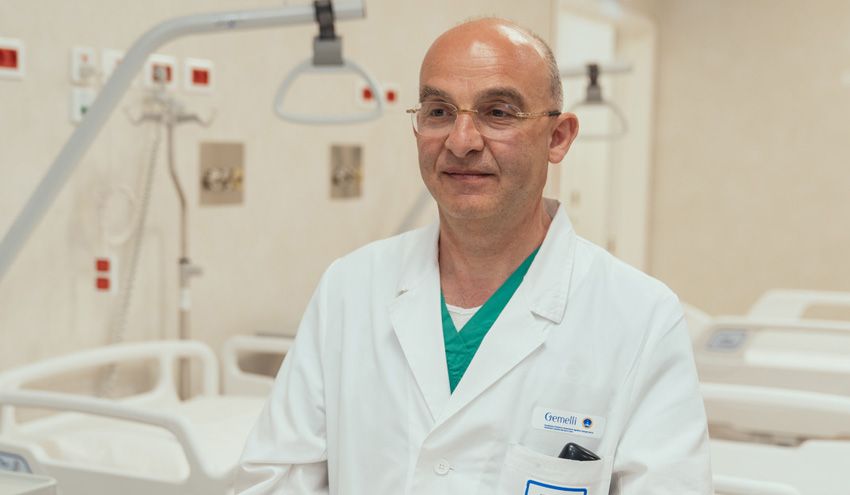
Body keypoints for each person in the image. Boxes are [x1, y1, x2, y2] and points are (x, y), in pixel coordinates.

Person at [236, 17, 712, 495]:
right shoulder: (349, 286)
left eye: (498, 112)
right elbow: (277, 479)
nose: (461, 141)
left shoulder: (641, 317)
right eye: (439, 111)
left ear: (558, 137)